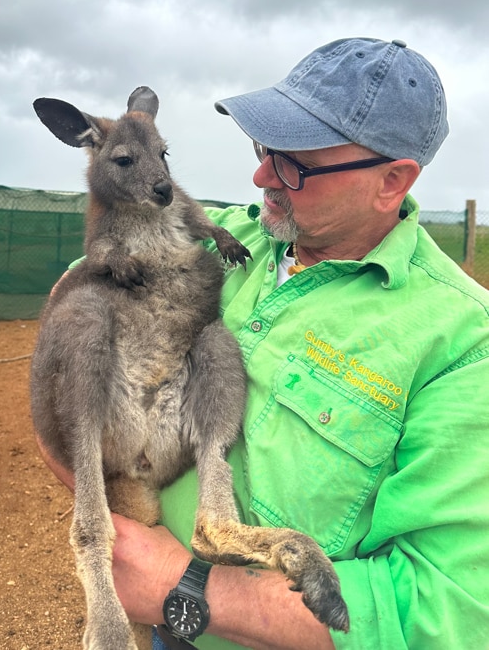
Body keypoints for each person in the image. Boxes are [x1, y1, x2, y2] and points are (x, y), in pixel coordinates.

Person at [39, 37, 489, 649]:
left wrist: (184, 587)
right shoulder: (230, 235)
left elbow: (448, 612)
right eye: (264, 148)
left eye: (294, 164)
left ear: (392, 182)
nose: (260, 176)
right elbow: (73, 315)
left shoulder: (463, 341)